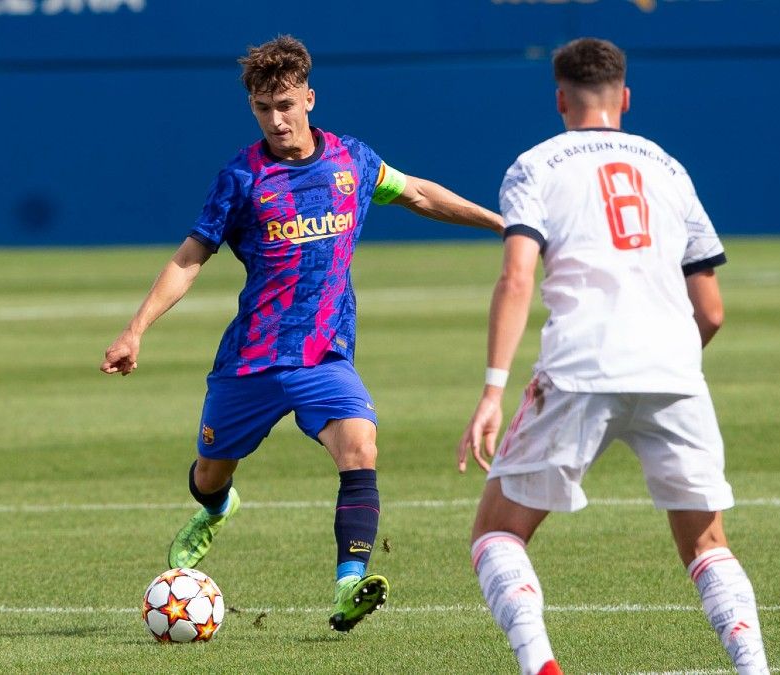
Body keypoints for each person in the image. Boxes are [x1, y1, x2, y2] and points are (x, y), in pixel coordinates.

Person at [102, 35, 503, 633]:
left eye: (286, 104)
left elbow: (418, 191)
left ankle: (349, 584)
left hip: (323, 355)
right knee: (210, 472)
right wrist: (136, 330)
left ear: (309, 98)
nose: (277, 119)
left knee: (360, 446)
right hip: (253, 359)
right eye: (264, 109)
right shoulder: (242, 177)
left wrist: (503, 225)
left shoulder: (353, 162)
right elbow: (191, 256)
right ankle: (217, 508)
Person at [457, 38, 769, 674]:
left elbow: (518, 278)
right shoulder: (669, 168)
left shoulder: (535, 166)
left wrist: (493, 389)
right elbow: (710, 310)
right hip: (674, 370)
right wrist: (669, 356)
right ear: (624, 98)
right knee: (707, 545)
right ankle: (753, 668)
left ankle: (539, 664)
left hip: (580, 365)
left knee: (498, 533)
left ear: (560, 99)